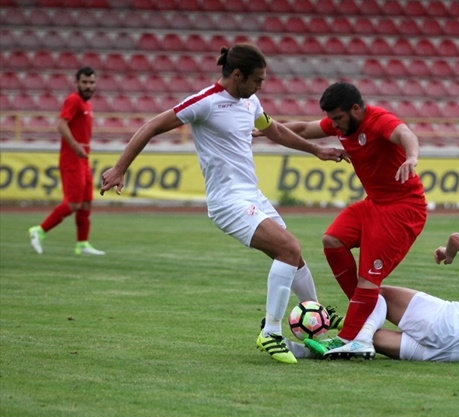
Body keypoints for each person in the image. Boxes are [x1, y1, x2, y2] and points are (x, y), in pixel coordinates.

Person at [99, 44, 348, 364]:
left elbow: (274, 130)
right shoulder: (205, 102)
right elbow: (151, 126)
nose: (261, 86)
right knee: (288, 247)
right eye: (257, 79)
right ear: (236, 74)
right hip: (226, 202)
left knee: (292, 255)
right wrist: (120, 167)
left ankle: (316, 317)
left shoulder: (250, 101)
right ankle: (271, 333)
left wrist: (316, 151)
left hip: (251, 195)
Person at [282, 82, 427, 358]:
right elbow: (302, 129)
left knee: (368, 281)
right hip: (374, 204)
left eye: (337, 118)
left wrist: (412, 157)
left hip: (402, 209)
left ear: (356, 109)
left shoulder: (378, 121)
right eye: (331, 119)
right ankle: (366, 313)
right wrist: (266, 129)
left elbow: (405, 133)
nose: (334, 125)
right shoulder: (341, 123)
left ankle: (350, 338)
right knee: (332, 240)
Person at [299, 232, 459, 362]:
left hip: (453, 322)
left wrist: (448, 253)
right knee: (374, 334)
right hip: (458, 356)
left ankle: (360, 341)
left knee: (378, 294)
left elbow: (457, 238)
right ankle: (353, 340)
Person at [28, 66, 106, 256]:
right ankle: (39, 230)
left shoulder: (87, 104)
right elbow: (61, 124)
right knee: (73, 204)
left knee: (87, 203)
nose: (88, 86)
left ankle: (82, 244)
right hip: (71, 160)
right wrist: (75, 146)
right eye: (85, 82)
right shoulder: (74, 100)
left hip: (83, 160)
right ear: (77, 83)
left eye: (91, 82)